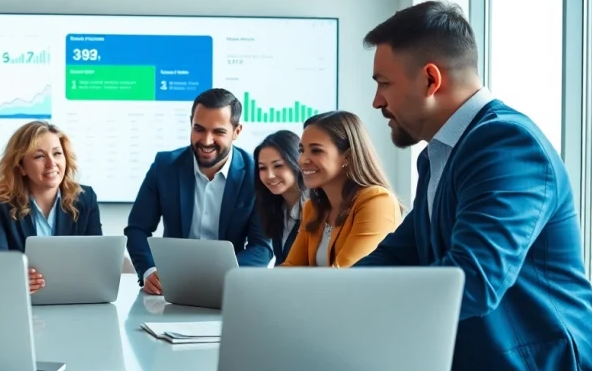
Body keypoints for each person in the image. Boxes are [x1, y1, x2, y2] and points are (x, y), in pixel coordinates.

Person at [355, 0, 592, 371]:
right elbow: (400, 253)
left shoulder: (506, 144)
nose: (376, 101)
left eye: (384, 84)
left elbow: (473, 278)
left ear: (431, 79)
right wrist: (317, 301)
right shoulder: (441, 156)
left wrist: (348, 315)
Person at [125, 88, 272, 295]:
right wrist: (149, 270)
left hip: (229, 288)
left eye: (218, 132)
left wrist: (222, 277)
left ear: (236, 131)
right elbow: (137, 229)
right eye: (199, 129)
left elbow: (261, 247)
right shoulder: (164, 166)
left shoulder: (256, 174)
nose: (206, 140)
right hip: (171, 287)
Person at [0, 121, 101, 293]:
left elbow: (96, 259)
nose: (51, 163)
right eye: (39, 156)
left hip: (74, 298)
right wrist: (16, 278)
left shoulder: (85, 198)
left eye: (57, 154)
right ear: (21, 167)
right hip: (21, 301)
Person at [280, 111, 401, 268]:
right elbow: (291, 268)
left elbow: (345, 276)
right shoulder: (313, 208)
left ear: (348, 156)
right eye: (301, 150)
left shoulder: (377, 201)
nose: (302, 160)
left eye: (316, 150)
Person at [253, 130, 306, 266]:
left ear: (297, 162)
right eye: (262, 168)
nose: (269, 175)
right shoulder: (274, 207)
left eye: (278, 166)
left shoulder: (316, 207)